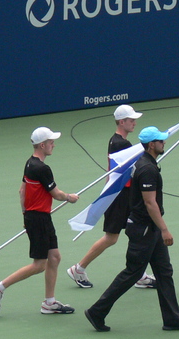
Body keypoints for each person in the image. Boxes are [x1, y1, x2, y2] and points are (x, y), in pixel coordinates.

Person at [83, 127, 179, 332]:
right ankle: (97, 311)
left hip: (148, 229)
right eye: (160, 141)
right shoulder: (147, 169)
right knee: (132, 273)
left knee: (164, 271)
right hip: (145, 230)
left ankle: (172, 318)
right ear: (151, 145)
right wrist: (165, 230)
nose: (164, 143)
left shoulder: (146, 163)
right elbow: (150, 203)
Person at [0, 128, 79, 316]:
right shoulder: (42, 168)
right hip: (38, 219)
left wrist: (25, 216)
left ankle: (49, 303)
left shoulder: (30, 164)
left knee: (54, 257)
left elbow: (22, 192)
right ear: (42, 145)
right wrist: (70, 197)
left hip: (38, 217)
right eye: (51, 141)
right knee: (39, 265)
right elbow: (56, 194)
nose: (54, 144)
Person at [67, 105, 156, 291]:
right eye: (131, 120)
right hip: (120, 195)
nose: (134, 123)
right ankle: (79, 268)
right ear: (121, 122)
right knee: (111, 237)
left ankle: (139, 274)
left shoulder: (116, 141)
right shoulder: (121, 144)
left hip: (124, 194)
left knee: (135, 232)